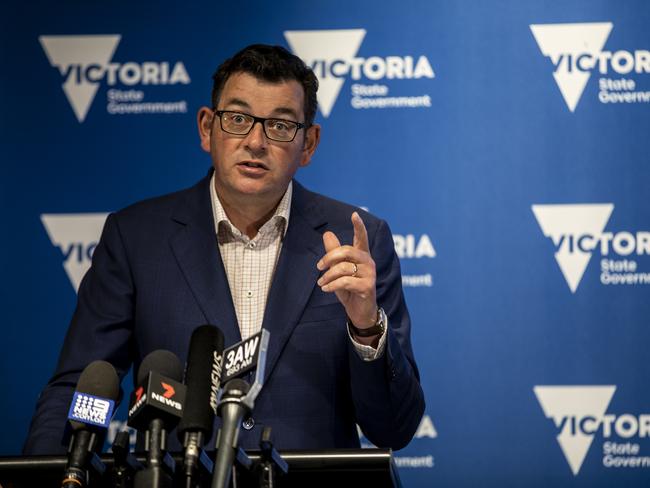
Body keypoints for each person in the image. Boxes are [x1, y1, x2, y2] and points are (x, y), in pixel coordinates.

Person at [24, 44, 425, 454]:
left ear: (309, 144)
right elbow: (82, 386)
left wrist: (366, 326)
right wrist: (44, 475)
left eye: (281, 125)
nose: (255, 141)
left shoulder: (358, 241)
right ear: (206, 128)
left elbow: (394, 430)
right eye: (237, 119)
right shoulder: (136, 237)